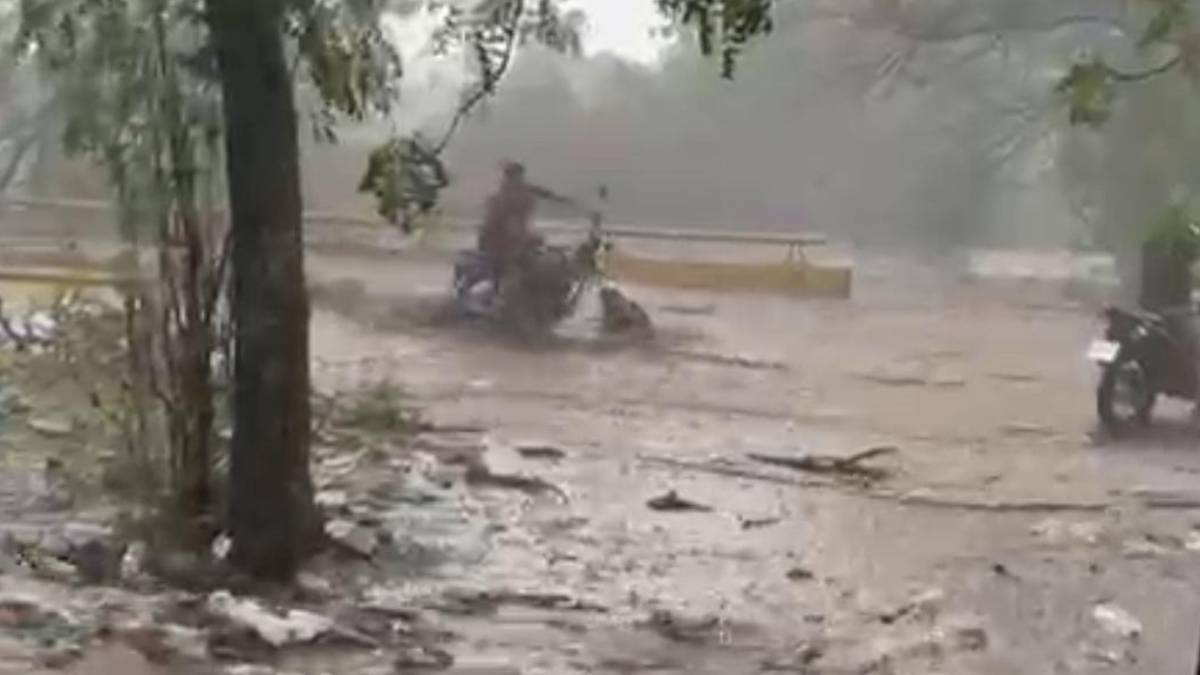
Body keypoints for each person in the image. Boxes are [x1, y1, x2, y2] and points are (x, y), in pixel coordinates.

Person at [476, 161, 584, 288]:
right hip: (506, 243)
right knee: (517, 261)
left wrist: (565, 200)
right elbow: (497, 223)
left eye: (519, 176)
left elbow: (546, 194)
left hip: (514, 239)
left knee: (537, 250)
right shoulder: (502, 197)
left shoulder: (523, 190)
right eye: (515, 176)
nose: (519, 179)